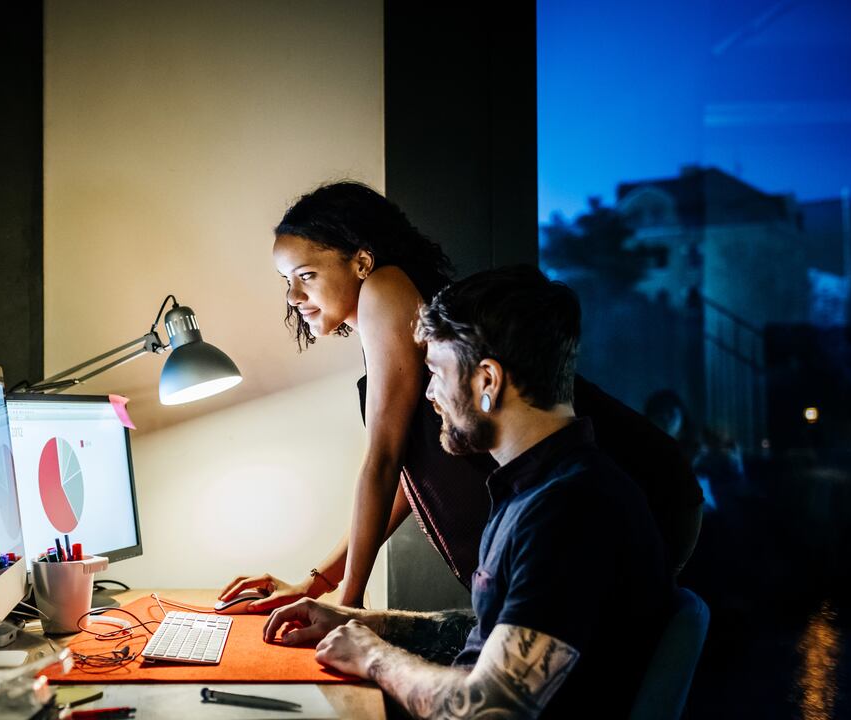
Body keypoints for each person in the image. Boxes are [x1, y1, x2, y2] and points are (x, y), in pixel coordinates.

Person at [221, 182, 701, 612]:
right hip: (641, 495)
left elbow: (384, 459)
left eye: (304, 275)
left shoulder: (384, 289)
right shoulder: (406, 311)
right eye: (287, 281)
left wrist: (346, 603)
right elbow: (407, 474)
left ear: (361, 261)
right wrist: (320, 584)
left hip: (639, 481)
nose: (292, 296)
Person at [264, 267, 672, 719]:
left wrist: (373, 656)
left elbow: (493, 710)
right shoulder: (539, 488)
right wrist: (362, 623)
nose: (431, 395)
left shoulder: (568, 511)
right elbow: (486, 634)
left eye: (436, 372)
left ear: (487, 382)